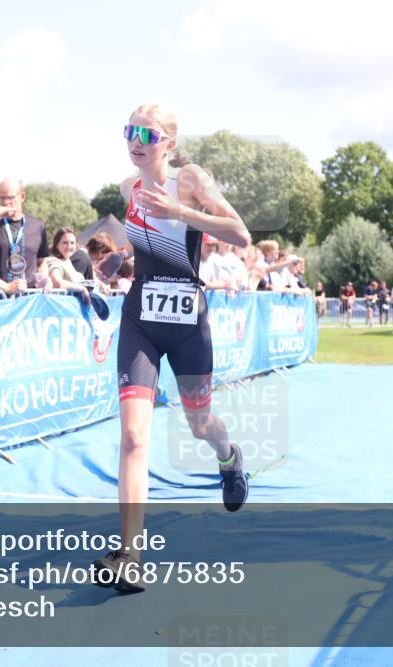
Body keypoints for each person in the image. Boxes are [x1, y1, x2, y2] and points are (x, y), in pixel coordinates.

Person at [91, 103, 252, 592]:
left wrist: (183, 212)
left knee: (200, 422)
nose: (136, 140)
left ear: (170, 143)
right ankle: (130, 555)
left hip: (187, 322)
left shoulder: (192, 180)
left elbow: (241, 236)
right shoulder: (127, 189)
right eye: (130, 131)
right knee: (134, 438)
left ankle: (230, 457)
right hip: (141, 319)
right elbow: (147, 250)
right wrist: (119, 263)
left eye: (147, 133)